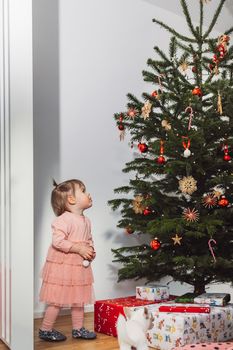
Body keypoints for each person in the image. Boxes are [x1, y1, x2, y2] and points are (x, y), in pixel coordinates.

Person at [38, 179, 96, 342]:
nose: (88, 194)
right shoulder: (64, 219)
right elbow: (58, 242)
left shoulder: (86, 220)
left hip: (78, 267)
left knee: (79, 299)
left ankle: (78, 329)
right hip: (63, 266)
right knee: (56, 300)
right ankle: (45, 329)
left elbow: (89, 239)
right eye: (83, 191)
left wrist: (90, 250)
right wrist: (79, 248)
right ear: (71, 199)